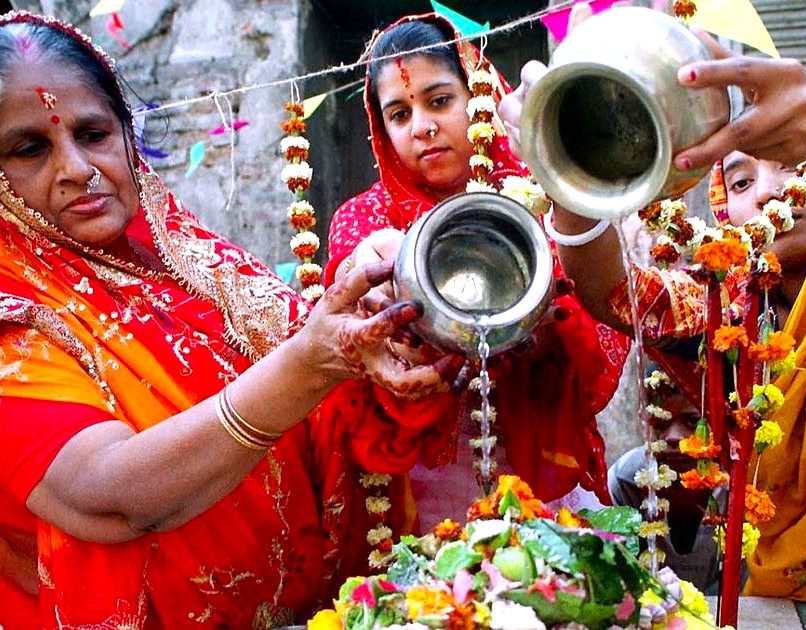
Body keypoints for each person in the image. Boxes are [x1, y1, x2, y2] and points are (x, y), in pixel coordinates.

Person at [0, 12, 464, 629]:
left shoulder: (197, 264)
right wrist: (312, 362)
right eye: (30, 148)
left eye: (94, 134)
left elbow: (330, 394)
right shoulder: (16, 315)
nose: (78, 168)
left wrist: (384, 331)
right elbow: (104, 497)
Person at [499, 2, 806, 603]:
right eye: (738, 180)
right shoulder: (724, 306)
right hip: (776, 606)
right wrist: (568, 158)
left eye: (792, 160)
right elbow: (612, 293)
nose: (764, 192)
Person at [324, 13, 628, 530]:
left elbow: (601, 325)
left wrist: (550, 329)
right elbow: (355, 356)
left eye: (439, 101)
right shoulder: (363, 220)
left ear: (479, 97)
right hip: (421, 483)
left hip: (537, 466)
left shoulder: (547, 198)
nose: (421, 127)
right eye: (399, 114)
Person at [607, 366, 721, 594]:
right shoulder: (625, 480)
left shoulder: (739, 485)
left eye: (692, 421)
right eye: (659, 422)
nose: (673, 436)